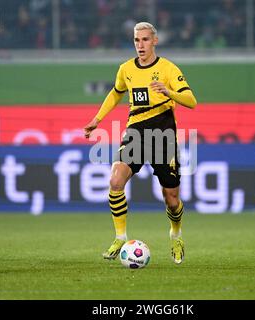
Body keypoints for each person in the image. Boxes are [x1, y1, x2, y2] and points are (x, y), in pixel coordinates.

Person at [84, 22, 197, 264]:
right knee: (115, 180)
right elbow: (116, 92)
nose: (140, 45)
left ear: (155, 41)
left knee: (172, 198)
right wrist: (97, 119)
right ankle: (120, 237)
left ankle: (176, 235)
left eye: (145, 40)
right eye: (137, 40)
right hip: (135, 134)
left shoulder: (168, 69)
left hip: (163, 136)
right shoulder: (126, 69)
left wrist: (169, 93)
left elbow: (191, 100)